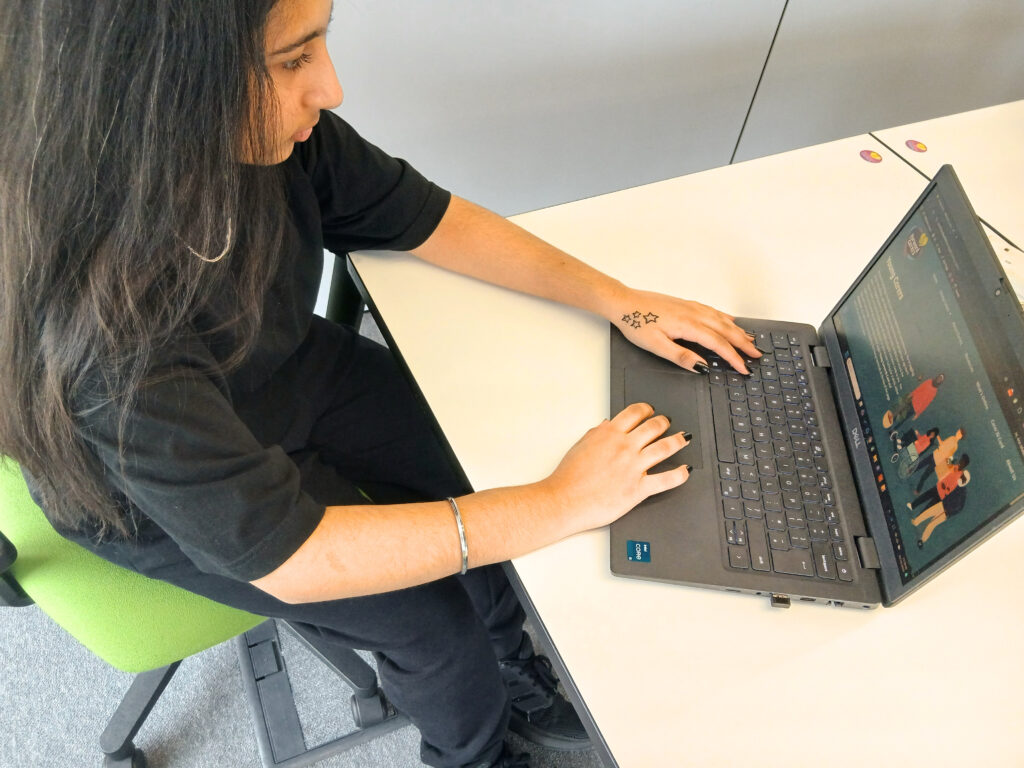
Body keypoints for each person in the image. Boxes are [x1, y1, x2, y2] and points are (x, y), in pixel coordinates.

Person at [0, 2, 759, 766]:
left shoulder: (271, 141)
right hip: (145, 498)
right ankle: (474, 755)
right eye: (293, 60)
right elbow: (292, 557)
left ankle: (509, 659)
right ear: (158, 89)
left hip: (278, 371)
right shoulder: (105, 339)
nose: (330, 88)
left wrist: (619, 300)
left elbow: (427, 218)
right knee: (429, 623)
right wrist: (561, 503)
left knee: (473, 461)